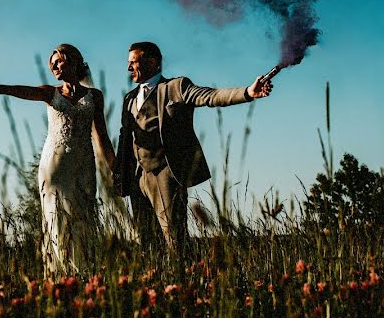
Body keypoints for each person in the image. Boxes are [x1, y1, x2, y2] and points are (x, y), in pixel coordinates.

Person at [0, 44, 116, 275]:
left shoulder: (95, 96)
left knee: (84, 218)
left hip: (84, 163)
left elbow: (101, 134)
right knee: (58, 220)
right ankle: (60, 275)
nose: (53, 66)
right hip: (55, 166)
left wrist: (115, 167)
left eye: (58, 61)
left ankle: (85, 274)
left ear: (73, 61)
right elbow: (10, 89)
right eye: (51, 64)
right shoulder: (49, 93)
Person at [113, 41, 273, 255]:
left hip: (166, 174)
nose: (128, 68)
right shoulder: (129, 98)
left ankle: (185, 279)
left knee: (175, 239)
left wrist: (247, 92)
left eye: (134, 62)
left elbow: (210, 96)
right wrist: (121, 176)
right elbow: (125, 137)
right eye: (128, 62)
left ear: (152, 62)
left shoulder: (176, 87)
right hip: (138, 178)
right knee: (147, 242)